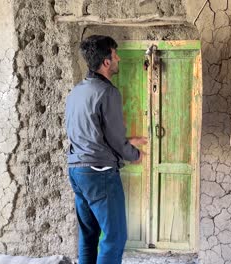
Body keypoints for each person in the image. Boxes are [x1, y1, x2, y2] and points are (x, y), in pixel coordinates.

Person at [65, 35, 147, 264]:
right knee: (115, 236)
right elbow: (113, 138)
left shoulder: (76, 92)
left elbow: (89, 133)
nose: (118, 58)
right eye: (115, 54)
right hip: (99, 172)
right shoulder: (108, 92)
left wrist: (128, 140)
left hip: (77, 171)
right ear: (106, 62)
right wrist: (134, 154)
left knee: (89, 235)